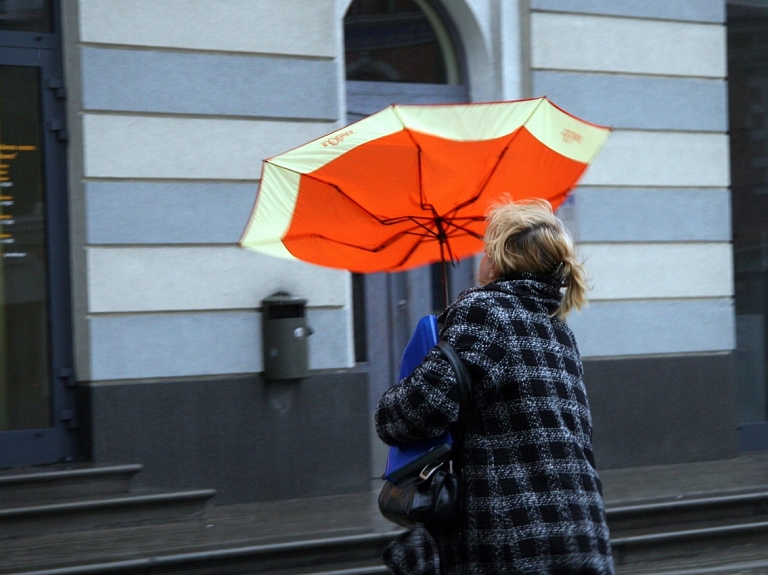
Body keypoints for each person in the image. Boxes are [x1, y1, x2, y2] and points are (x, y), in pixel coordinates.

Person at [375, 198, 615, 574]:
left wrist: (398, 394)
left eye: (486, 249)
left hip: (513, 543)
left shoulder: (485, 312)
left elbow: (411, 415)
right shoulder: (558, 330)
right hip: (579, 536)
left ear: (500, 260)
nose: (480, 260)